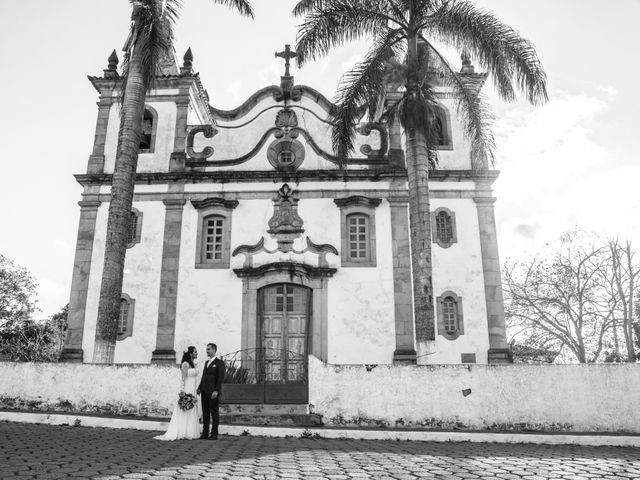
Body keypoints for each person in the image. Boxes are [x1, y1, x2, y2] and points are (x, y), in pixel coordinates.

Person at [154, 346, 200, 441]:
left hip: (193, 389)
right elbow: (183, 379)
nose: (197, 353)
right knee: (185, 408)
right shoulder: (185, 364)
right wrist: (182, 391)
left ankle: (190, 431)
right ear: (191, 353)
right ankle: (182, 431)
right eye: (195, 352)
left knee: (192, 408)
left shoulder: (193, 364)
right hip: (187, 389)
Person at [198, 342, 225, 440]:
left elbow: (220, 378)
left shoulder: (219, 363)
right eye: (207, 349)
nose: (207, 351)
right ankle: (205, 433)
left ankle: (214, 434)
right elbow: (204, 376)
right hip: (204, 391)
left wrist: (216, 391)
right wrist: (199, 387)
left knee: (214, 412)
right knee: (205, 413)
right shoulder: (206, 362)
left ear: (214, 350)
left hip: (213, 392)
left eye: (209, 349)